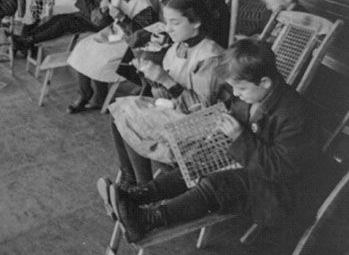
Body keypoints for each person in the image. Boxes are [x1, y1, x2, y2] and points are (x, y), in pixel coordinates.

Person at [100, 39, 319, 243]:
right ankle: (137, 196)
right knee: (199, 160)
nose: (235, 94)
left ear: (265, 82)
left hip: (280, 191)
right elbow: (238, 116)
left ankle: (147, 220)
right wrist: (218, 133)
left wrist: (239, 138)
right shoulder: (253, 96)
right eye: (233, 87)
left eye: (241, 88)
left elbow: (280, 169)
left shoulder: (295, 115)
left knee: (218, 182)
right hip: (252, 163)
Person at [107, 0, 226, 188]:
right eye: (166, 21)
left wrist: (165, 79)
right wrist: (154, 81)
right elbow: (165, 95)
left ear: (196, 22)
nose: (168, 29)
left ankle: (144, 188)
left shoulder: (210, 57)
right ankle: (131, 178)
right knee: (118, 112)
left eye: (175, 23)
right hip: (177, 111)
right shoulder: (177, 47)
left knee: (129, 118)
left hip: (203, 126)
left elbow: (203, 109)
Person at [66, 0, 159, 113]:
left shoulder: (143, 1)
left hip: (130, 42)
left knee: (99, 55)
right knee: (83, 47)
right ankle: (85, 93)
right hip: (114, 33)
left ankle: (99, 96)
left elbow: (142, 33)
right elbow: (99, 22)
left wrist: (122, 17)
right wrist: (102, 10)